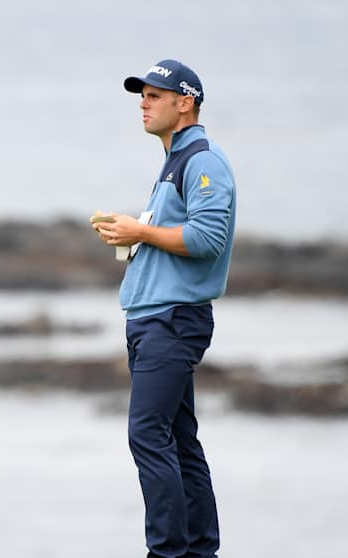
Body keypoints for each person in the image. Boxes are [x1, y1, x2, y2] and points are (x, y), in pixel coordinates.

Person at [91, 59, 236, 558]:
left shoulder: (203, 160)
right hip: (156, 318)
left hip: (171, 322)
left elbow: (207, 238)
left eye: (154, 95)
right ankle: (199, 552)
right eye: (142, 95)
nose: (144, 104)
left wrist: (141, 231)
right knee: (179, 440)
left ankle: (168, 553)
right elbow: (176, 236)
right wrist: (130, 236)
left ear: (185, 102)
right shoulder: (175, 160)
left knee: (148, 436)